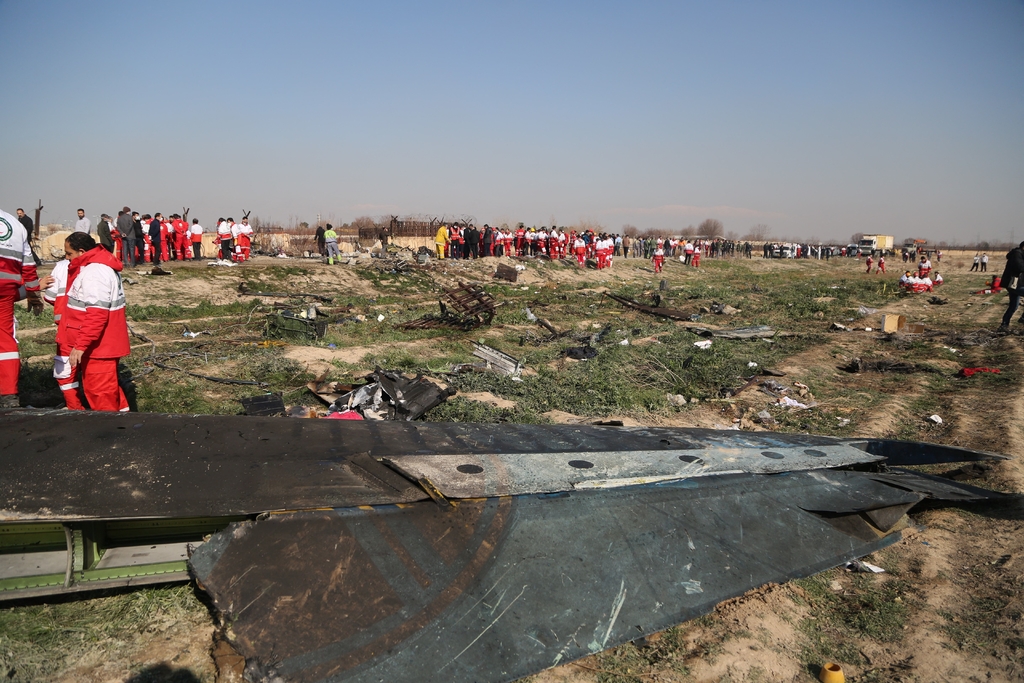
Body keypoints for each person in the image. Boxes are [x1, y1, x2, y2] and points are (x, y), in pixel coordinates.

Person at [56, 232, 129, 411]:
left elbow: (97, 315)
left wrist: (80, 345)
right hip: (100, 345)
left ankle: (108, 433)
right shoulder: (98, 267)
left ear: (81, 251)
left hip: (99, 347)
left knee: (100, 393)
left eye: (69, 254)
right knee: (109, 390)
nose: (67, 258)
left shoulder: (94, 272)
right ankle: (126, 426)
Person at [0, 208, 42, 408]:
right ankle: (8, 395)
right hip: (6, 288)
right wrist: (33, 293)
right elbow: (28, 265)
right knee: (5, 340)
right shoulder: (14, 224)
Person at [997, 241, 1024, 333]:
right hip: (1013, 284)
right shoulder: (1017, 254)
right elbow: (1020, 267)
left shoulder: (1019, 254)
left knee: (1014, 306)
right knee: (1013, 305)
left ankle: (1004, 325)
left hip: (1015, 284)